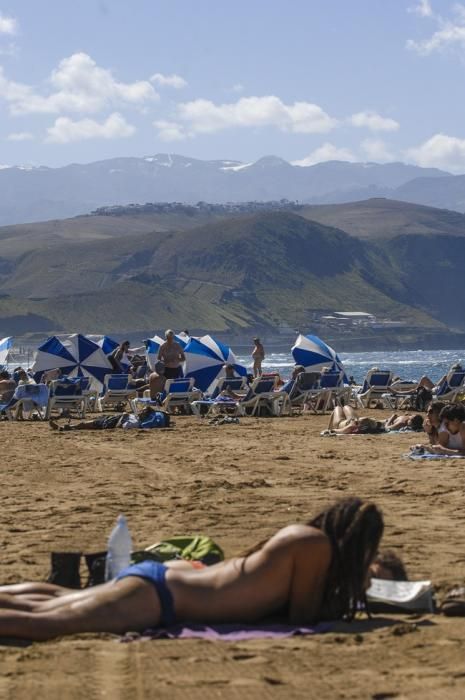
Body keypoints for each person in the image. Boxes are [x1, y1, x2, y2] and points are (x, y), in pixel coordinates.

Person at [0, 497, 383, 640]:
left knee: (57, 600)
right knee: (47, 622)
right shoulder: (314, 546)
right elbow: (303, 615)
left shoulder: (301, 536)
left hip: (162, 582)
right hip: (161, 597)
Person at [49, 405, 164, 432]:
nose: (140, 411)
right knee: (85, 424)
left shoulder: (136, 421)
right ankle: (65, 427)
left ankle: (64, 428)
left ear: (145, 415)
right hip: (110, 418)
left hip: (109, 423)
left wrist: (123, 417)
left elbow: (121, 427)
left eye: (142, 411)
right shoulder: (136, 417)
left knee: (85, 424)